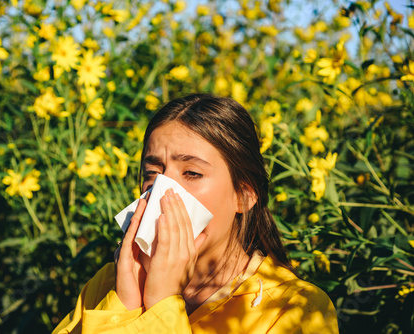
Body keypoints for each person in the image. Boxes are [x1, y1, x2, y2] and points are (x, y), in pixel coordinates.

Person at [52, 94, 339, 333]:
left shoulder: (296, 308)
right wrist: (124, 304)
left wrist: (163, 305)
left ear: (244, 195)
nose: (163, 190)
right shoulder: (112, 280)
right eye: (152, 173)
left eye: (192, 173)